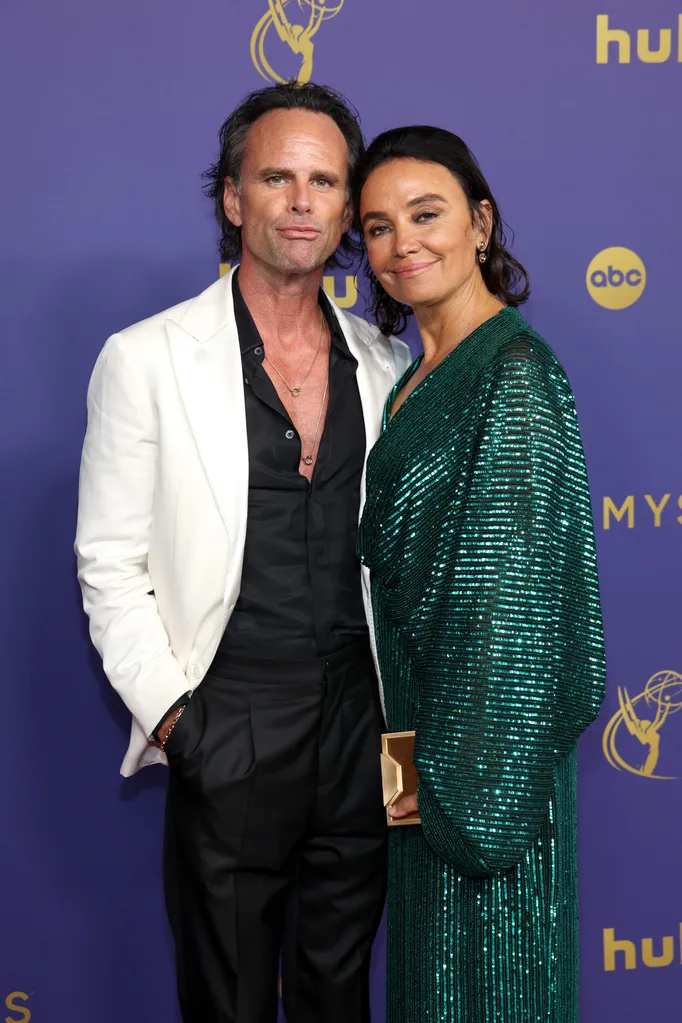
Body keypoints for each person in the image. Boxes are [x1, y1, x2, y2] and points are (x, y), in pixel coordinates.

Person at [75, 83, 410, 1023]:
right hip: (229, 721)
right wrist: (180, 723)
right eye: (276, 177)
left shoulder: (386, 365)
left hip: (361, 727)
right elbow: (108, 561)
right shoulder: (145, 358)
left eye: (324, 181)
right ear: (232, 198)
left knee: (340, 994)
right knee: (227, 1002)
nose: (302, 201)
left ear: (347, 207)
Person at [353, 126, 606, 1023]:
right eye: (377, 227)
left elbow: (514, 611)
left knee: (491, 994)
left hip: (489, 779)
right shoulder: (410, 380)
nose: (402, 243)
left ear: (481, 223)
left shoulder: (515, 372)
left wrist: (470, 799)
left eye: (426, 214)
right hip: (423, 762)